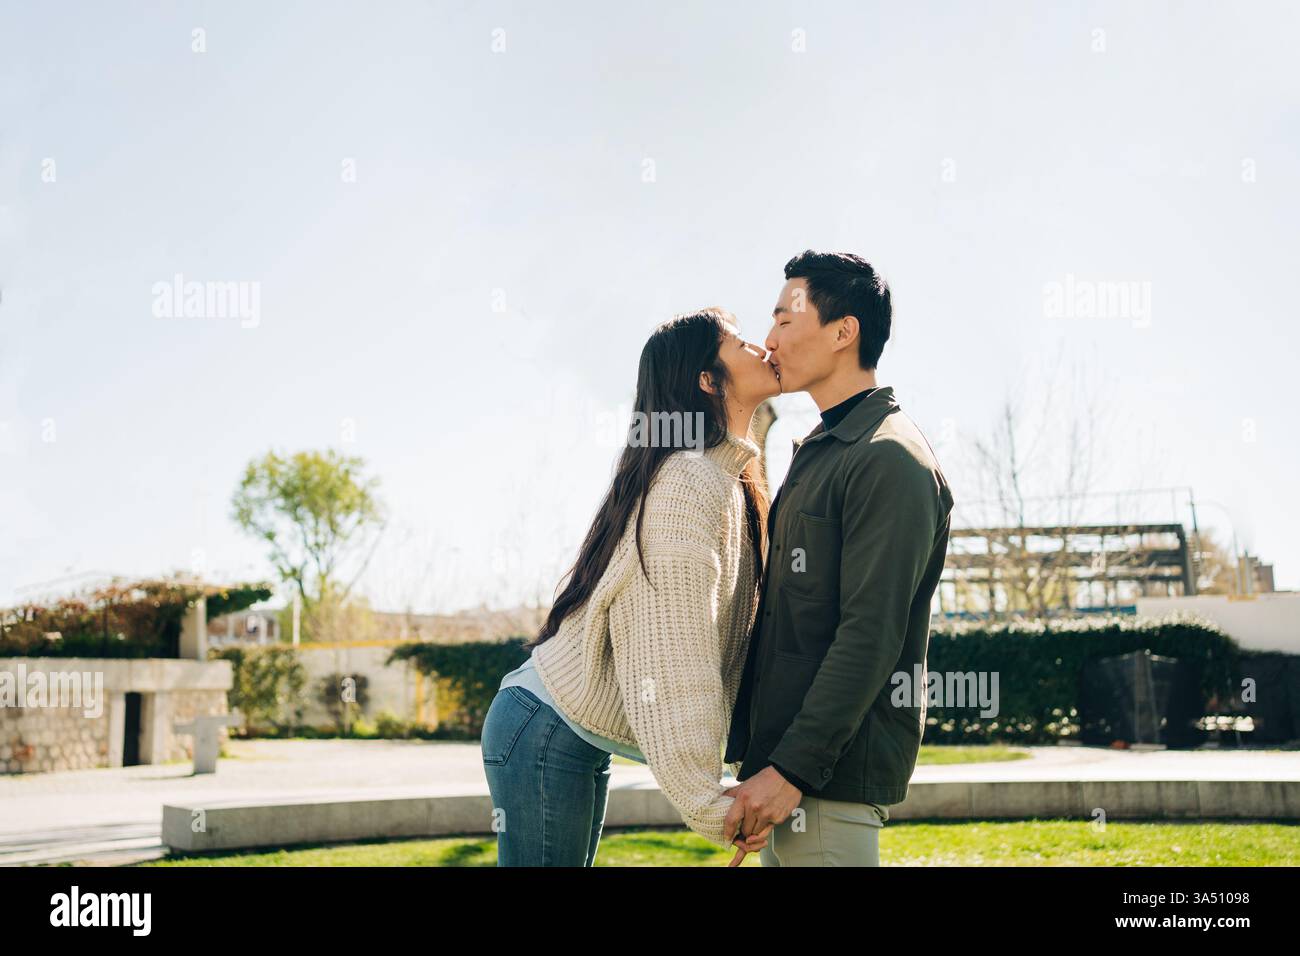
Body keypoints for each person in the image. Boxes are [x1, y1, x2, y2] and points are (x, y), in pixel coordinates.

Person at [480, 306, 781, 865]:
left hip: (560, 732)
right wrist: (708, 800)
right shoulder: (689, 481)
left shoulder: (729, 479)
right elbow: (671, 653)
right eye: (741, 344)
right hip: (543, 728)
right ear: (709, 380)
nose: (763, 347)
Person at [722, 250, 955, 867]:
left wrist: (791, 769)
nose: (769, 339)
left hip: (827, 783)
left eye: (784, 319)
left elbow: (870, 635)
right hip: (790, 781)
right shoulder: (823, 448)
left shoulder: (889, 458)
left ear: (843, 331)